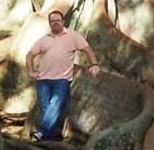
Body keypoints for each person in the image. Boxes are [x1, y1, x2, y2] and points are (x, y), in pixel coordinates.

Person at [25, 9, 101, 141]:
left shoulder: (72, 36)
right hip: (42, 80)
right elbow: (29, 55)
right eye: (52, 21)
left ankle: (41, 133)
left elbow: (87, 49)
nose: (55, 23)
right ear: (50, 23)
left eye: (57, 20)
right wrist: (31, 71)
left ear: (63, 21)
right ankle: (51, 136)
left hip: (62, 80)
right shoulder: (44, 39)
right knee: (45, 108)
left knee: (55, 105)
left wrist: (94, 64)